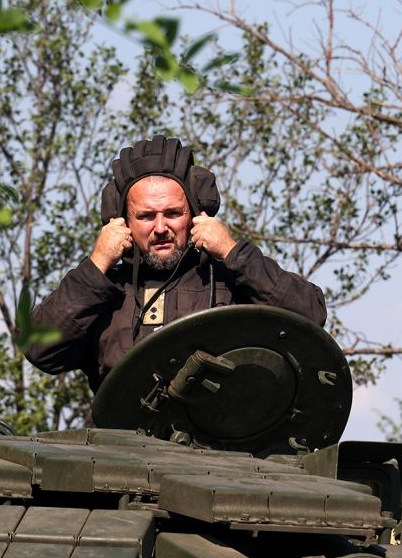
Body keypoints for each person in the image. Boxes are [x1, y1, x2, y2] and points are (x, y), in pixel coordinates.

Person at [24, 136, 327, 390]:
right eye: (145, 216)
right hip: (120, 442)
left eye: (172, 213)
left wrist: (233, 252)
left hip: (219, 441)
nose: (160, 228)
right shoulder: (104, 294)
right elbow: (39, 349)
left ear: (196, 214)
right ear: (122, 222)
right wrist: (97, 264)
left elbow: (310, 313)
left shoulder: (230, 282)